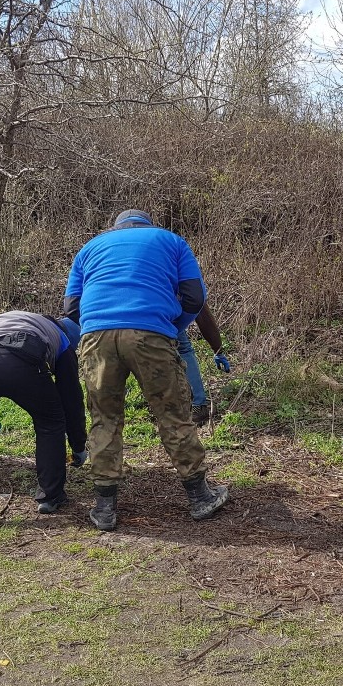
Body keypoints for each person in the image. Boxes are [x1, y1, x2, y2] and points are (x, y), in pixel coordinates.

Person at [63, 208, 229, 532]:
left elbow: (70, 309)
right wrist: (172, 326)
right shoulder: (171, 241)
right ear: (146, 226)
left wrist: (97, 327)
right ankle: (200, 497)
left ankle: (105, 508)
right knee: (172, 413)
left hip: (96, 337)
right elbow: (195, 297)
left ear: (117, 228)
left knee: (104, 418)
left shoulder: (90, 248)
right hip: (150, 336)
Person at [0, 312, 87, 527]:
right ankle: (51, 496)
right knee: (50, 423)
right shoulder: (63, 339)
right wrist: (78, 445)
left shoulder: (15, 319)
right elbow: (71, 398)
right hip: (22, 360)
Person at [178, 304, 231, 426]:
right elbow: (200, 309)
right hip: (157, 318)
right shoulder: (186, 284)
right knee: (183, 349)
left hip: (125, 321)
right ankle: (198, 406)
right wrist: (218, 350)